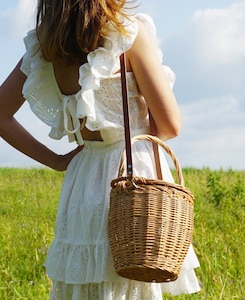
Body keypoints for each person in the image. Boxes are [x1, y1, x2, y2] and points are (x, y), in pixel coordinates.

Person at [0, 0, 201, 299]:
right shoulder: (127, 33)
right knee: (131, 283)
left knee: (86, 286)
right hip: (132, 178)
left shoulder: (45, 44)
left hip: (82, 180)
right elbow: (170, 125)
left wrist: (55, 161)